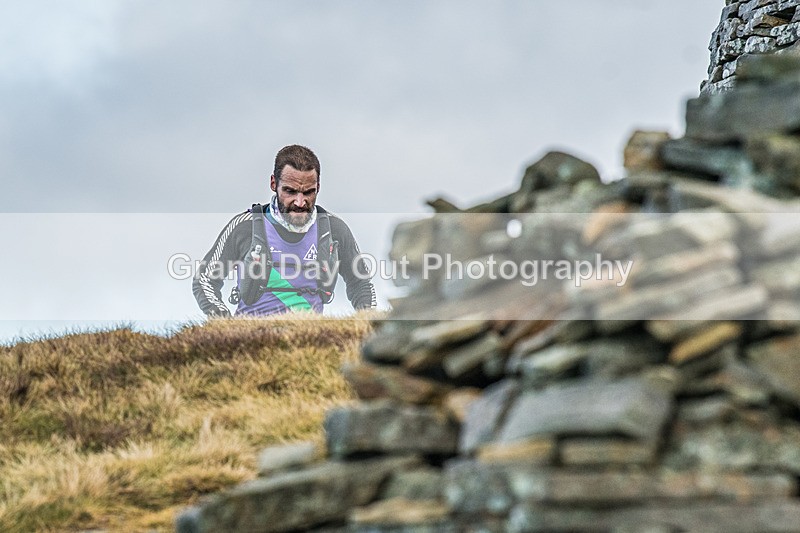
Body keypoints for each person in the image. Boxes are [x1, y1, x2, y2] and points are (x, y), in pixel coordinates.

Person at [193, 144, 376, 317]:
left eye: (308, 192)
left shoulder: (334, 229)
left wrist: (370, 327)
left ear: (318, 187)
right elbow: (204, 280)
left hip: (309, 341)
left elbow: (361, 283)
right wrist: (224, 323)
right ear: (274, 183)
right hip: (250, 341)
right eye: (290, 191)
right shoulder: (244, 226)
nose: (299, 202)